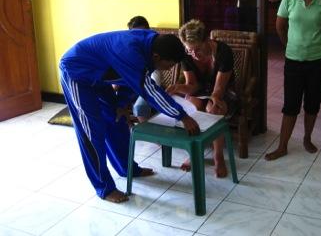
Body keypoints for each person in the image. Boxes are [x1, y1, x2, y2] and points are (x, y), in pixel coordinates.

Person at [59, 29, 200, 203]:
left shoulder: (150, 46)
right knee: (91, 132)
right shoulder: (130, 51)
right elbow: (149, 90)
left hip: (100, 74)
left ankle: (127, 169)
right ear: (156, 57)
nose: (169, 69)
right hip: (77, 73)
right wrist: (182, 116)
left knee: (117, 119)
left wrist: (121, 104)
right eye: (169, 65)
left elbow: (131, 78)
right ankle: (104, 188)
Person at [265, 0, 321, 161]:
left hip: (318, 60)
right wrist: (289, 45)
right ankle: (282, 146)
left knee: (312, 104)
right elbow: (280, 26)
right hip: (294, 60)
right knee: (290, 105)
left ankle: (307, 138)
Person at [166, 19, 237, 177]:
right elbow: (193, 85)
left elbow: (219, 89)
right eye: (189, 50)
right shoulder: (186, 55)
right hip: (201, 90)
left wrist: (213, 99)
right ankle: (194, 152)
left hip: (224, 90)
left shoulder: (223, 51)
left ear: (207, 41)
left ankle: (218, 156)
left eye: (197, 49)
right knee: (192, 108)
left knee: (213, 109)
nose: (193, 54)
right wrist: (178, 87)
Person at [126, 16, 163, 122]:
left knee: (140, 107)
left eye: (142, 32)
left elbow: (156, 75)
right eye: (135, 33)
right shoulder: (129, 46)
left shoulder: (155, 43)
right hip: (132, 83)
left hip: (150, 82)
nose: (139, 36)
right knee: (113, 102)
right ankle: (131, 134)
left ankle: (145, 136)